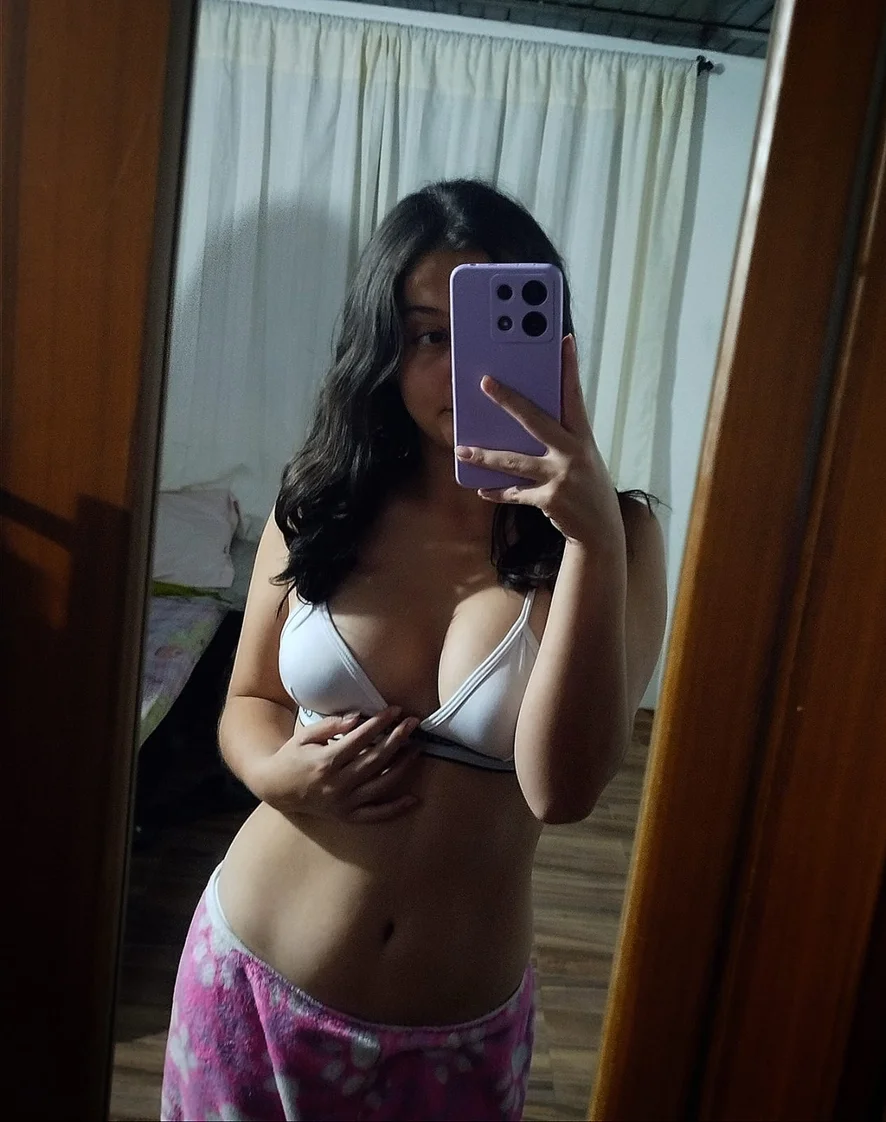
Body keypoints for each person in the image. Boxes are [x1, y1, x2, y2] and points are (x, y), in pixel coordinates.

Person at [160, 178, 667, 1122]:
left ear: (549, 341)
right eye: (429, 337)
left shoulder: (616, 537)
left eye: (488, 335)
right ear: (384, 347)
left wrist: (591, 538)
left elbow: (562, 791)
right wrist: (277, 774)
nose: (464, 374)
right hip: (249, 980)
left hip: (452, 1039)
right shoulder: (321, 496)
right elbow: (249, 701)